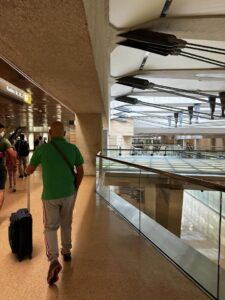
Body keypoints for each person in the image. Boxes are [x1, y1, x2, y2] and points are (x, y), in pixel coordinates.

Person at [26, 121, 84, 285]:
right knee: (66, 223)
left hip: (50, 196)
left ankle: (53, 260)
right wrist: (75, 188)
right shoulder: (73, 149)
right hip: (69, 194)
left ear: (50, 134)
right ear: (64, 134)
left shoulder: (42, 149)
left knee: (50, 227)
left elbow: (29, 169)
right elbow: (80, 170)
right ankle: (66, 251)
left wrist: (26, 170)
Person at [0, 123, 17, 210]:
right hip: (0, 170)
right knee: (1, 191)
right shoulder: (4, 141)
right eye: (3, 130)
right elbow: (12, 155)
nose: (3, 132)